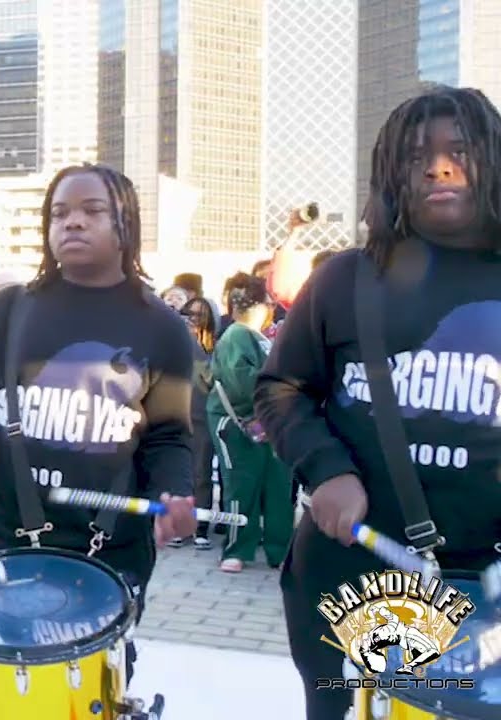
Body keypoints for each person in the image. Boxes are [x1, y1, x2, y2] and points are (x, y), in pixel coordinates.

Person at [255, 85, 501, 720]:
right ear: (390, 173)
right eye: (416, 154)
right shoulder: (345, 277)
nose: (439, 166)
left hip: (488, 579)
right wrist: (325, 468)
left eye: (461, 149)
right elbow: (281, 388)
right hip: (351, 576)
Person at [0, 163, 198, 687]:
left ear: (125, 222)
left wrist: (174, 491)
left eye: (91, 211)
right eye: (60, 213)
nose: (72, 223)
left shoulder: (163, 326)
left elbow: (169, 435)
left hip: (108, 551)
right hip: (4, 537)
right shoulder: (9, 309)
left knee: (90, 689)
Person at [206, 273, 292, 573]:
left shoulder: (260, 337)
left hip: (270, 424)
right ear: (258, 307)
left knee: (279, 486)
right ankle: (237, 548)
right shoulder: (236, 337)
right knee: (241, 486)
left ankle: (279, 550)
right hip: (239, 424)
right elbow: (242, 384)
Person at [169, 296, 218, 549]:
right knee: (179, 474)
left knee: (202, 474)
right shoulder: (178, 344)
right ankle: (179, 526)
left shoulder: (216, 348)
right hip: (177, 415)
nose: (192, 319)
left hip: (205, 417)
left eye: (199, 315)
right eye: (188, 314)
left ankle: (200, 527)